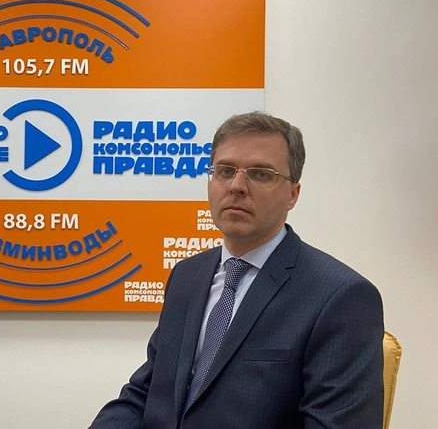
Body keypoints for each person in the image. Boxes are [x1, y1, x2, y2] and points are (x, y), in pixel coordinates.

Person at [89, 111, 384, 429]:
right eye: (225, 171)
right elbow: (145, 396)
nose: (237, 186)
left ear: (292, 195)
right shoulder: (186, 276)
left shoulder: (341, 296)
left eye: (261, 174)